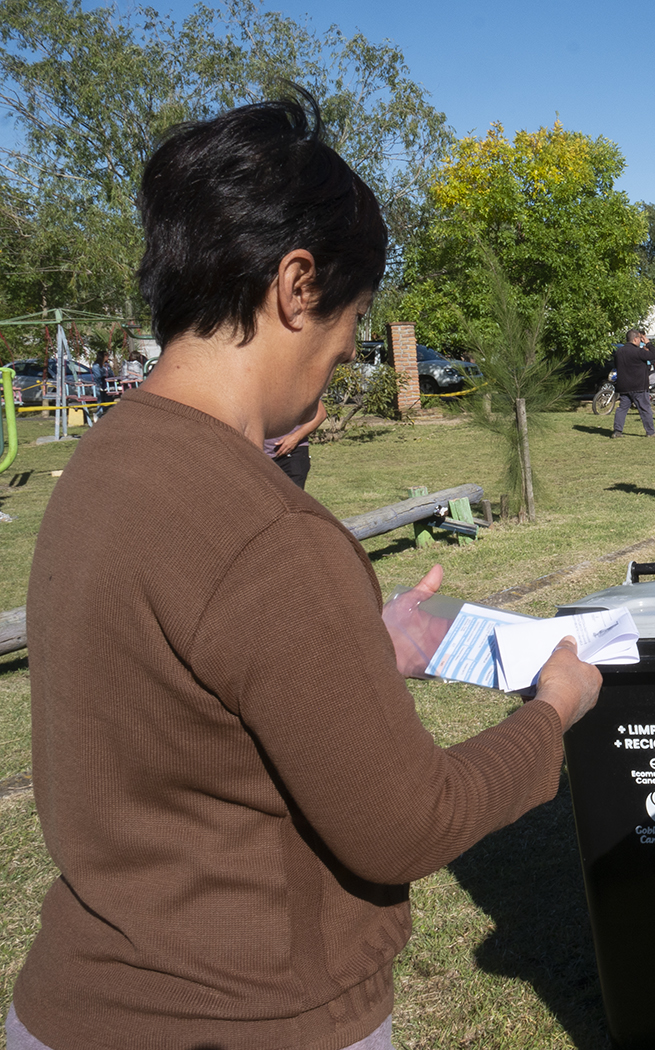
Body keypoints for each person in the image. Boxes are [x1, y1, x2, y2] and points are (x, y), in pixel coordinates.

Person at [8, 91, 603, 1050]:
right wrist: (551, 713)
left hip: (72, 1005)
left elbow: (186, 692)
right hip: (249, 1020)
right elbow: (408, 824)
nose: (346, 351)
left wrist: (353, 658)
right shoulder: (269, 535)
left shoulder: (103, 465)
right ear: (297, 285)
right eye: (353, 319)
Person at [263, 398, 329, 488]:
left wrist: (295, 438)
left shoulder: (297, 385)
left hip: (292, 453)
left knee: (290, 500)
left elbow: (320, 415)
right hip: (259, 454)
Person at [611, 327, 655, 438]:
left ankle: (617, 431)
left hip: (623, 386)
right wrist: (648, 343)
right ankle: (650, 432)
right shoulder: (638, 352)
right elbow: (654, 354)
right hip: (639, 386)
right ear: (635, 339)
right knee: (645, 409)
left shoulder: (619, 352)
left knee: (622, 409)